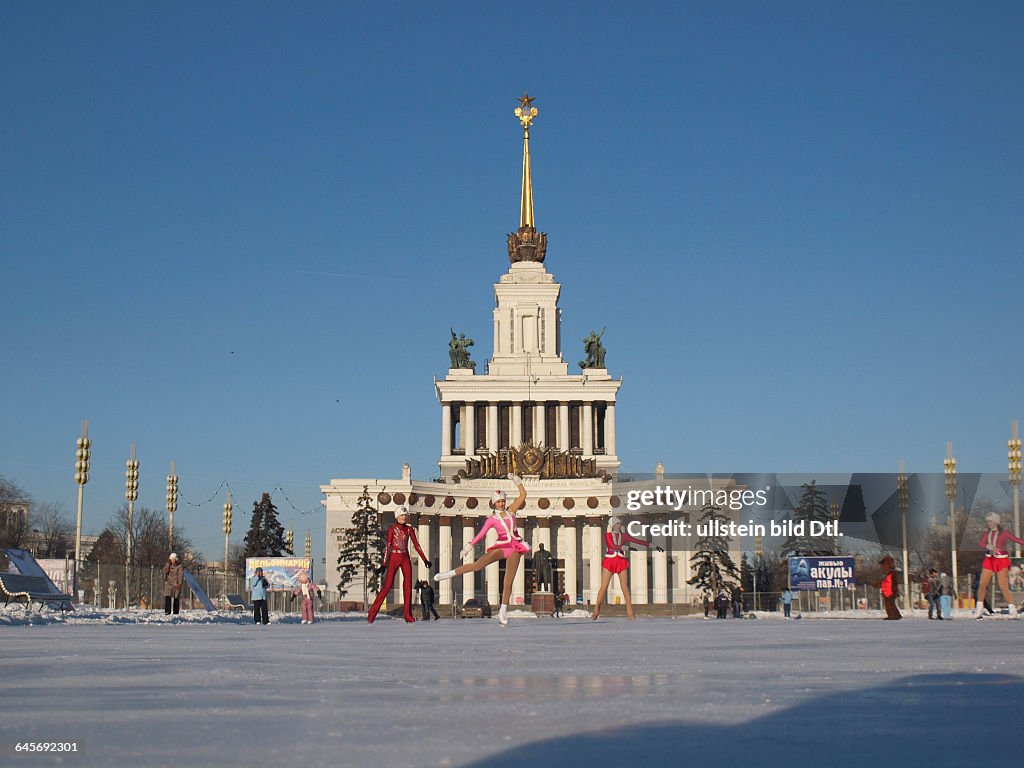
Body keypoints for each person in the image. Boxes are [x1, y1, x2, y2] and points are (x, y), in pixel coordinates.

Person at [435, 474, 528, 626]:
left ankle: (503, 611)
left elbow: (523, 495)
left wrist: (518, 482)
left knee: (508, 581)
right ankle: (448, 574)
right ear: (494, 503)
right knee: (477, 565)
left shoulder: (512, 511)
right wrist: (469, 545)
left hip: (516, 547)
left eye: (503, 501)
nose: (501, 504)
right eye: (498, 502)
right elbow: (481, 534)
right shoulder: (492, 519)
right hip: (502, 546)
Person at [591, 517, 663, 621]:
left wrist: (653, 546)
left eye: (619, 524)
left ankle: (630, 612)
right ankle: (596, 609)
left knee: (625, 588)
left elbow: (637, 541)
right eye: (617, 524)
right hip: (610, 561)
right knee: (604, 587)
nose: (619, 526)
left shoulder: (624, 536)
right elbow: (612, 546)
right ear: (612, 526)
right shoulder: (608, 535)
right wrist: (627, 548)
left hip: (621, 561)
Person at [368, 507, 431, 624]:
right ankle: (372, 613)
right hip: (394, 557)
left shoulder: (409, 529)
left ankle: (407, 614)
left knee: (408, 585)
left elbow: (417, 545)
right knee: (387, 586)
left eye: (405, 515)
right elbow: (388, 546)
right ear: (397, 516)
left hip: (405, 556)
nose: (404, 517)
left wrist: (425, 560)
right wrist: (384, 565)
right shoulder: (393, 529)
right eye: (402, 515)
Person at [973, 511, 1024, 619]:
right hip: (989, 559)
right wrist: (990, 546)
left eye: (991, 521)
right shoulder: (987, 533)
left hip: (1001, 560)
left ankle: (1012, 610)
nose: (989, 523)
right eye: (988, 521)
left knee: (1003, 586)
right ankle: (979, 609)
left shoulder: (1004, 533)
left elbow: (1016, 540)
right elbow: (981, 543)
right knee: (982, 585)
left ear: (996, 521)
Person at [879, 555, 901, 620]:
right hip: (886, 592)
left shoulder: (893, 574)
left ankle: (893, 615)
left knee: (890, 604)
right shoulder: (888, 574)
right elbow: (885, 582)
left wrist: (894, 591)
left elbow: (894, 583)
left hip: (890, 592)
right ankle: (894, 615)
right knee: (889, 604)